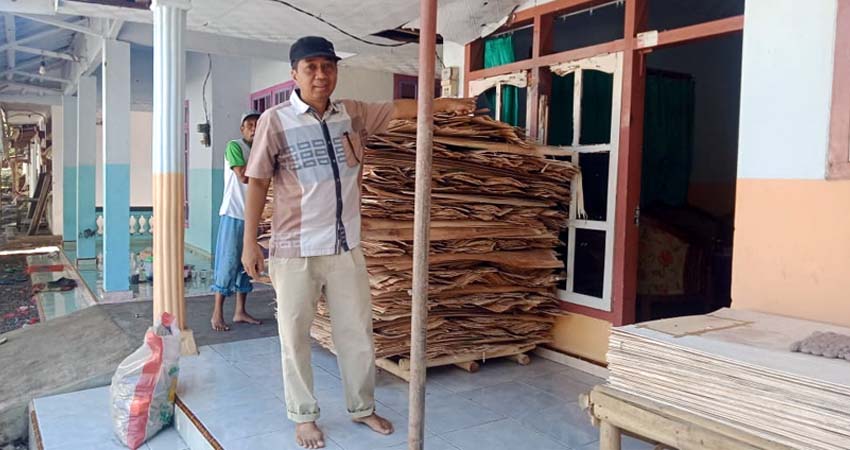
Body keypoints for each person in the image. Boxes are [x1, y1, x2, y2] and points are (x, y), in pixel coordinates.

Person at [241, 36, 474, 449]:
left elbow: (402, 109)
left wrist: (444, 104)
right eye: (310, 67)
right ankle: (303, 416)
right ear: (293, 74)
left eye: (327, 66)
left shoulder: (351, 114)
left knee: (357, 335)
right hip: (294, 251)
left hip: (346, 247)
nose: (320, 74)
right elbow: (257, 181)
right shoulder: (275, 121)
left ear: (335, 72)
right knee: (294, 338)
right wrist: (249, 243)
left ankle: (362, 407)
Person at [210, 111, 264, 332]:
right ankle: (216, 313)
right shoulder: (234, 146)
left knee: (247, 264)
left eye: (257, 124)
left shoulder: (262, 149)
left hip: (252, 215)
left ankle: (240, 311)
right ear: (242, 129)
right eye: (249, 124)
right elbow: (242, 175)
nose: (253, 127)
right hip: (234, 213)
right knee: (228, 261)